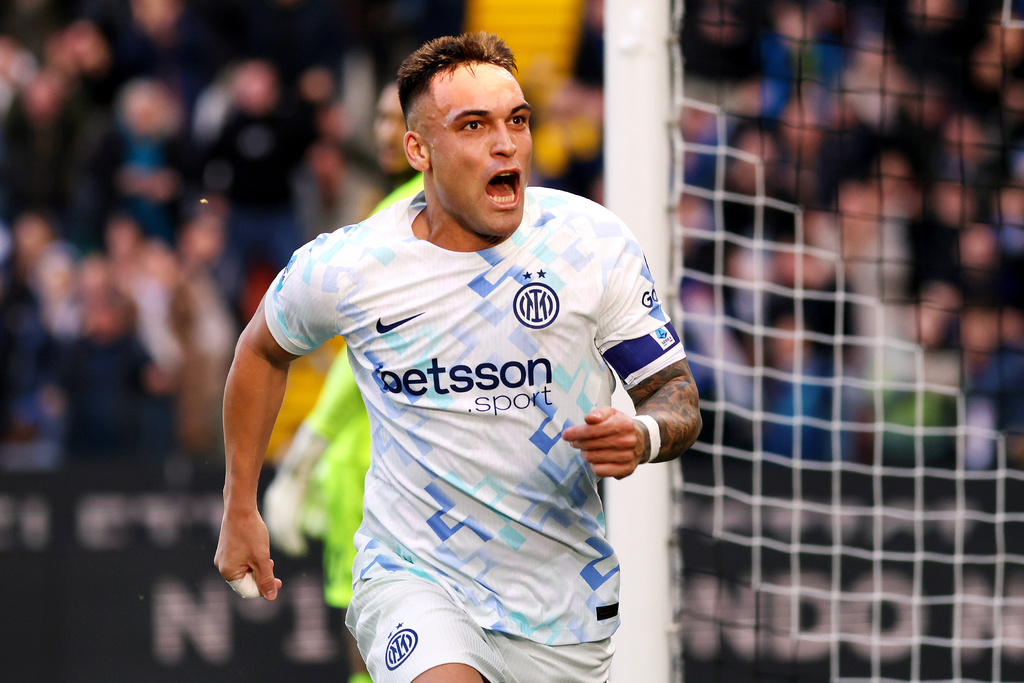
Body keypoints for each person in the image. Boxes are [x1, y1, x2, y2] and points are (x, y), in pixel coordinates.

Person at [215, 32, 701, 683]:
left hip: (560, 605)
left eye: (517, 121)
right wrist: (239, 504)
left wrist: (642, 435)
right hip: (413, 577)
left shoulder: (591, 244)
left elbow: (675, 396)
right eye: (473, 125)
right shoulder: (353, 265)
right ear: (418, 148)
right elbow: (261, 349)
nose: (505, 144)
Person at [261, 81, 423, 683]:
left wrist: (314, 438)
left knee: (375, 633)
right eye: (380, 118)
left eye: (398, 118)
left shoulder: (407, 214)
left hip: (375, 459)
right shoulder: (406, 207)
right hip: (386, 454)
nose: (386, 132)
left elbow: (369, 341)